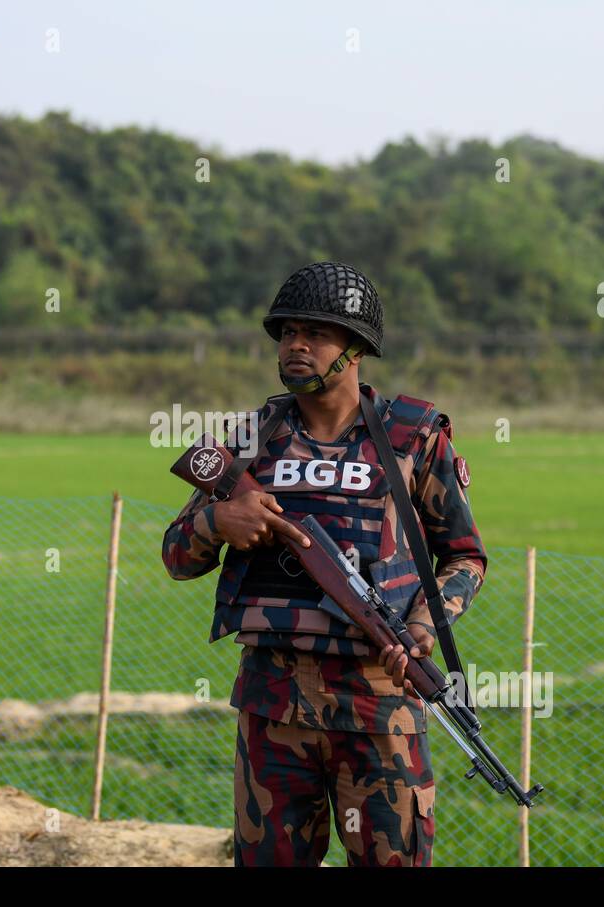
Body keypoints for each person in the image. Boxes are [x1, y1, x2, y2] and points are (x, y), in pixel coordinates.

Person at [161, 260, 487, 867]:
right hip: (272, 710)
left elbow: (464, 558)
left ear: (356, 349)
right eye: (287, 332)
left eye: (315, 333)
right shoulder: (250, 440)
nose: (295, 345)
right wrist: (218, 521)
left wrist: (420, 627)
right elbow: (176, 557)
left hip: (380, 706)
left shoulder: (413, 439)